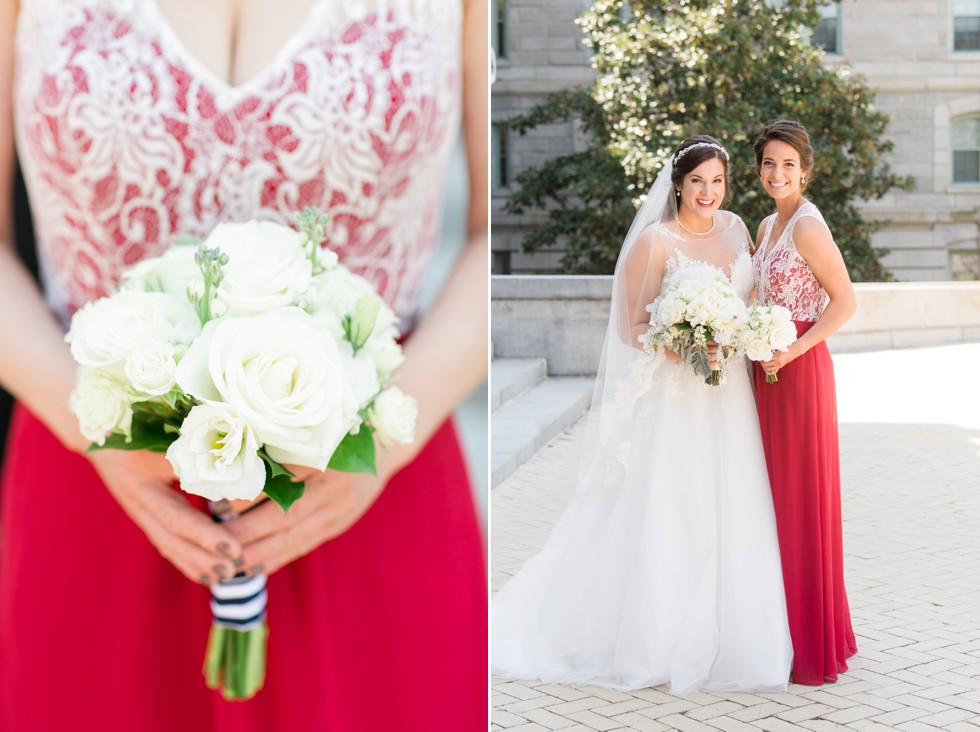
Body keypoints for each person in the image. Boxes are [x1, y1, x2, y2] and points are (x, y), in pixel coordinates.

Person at [0, 0, 488, 729]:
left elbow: (502, 240)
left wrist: (383, 444)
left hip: (366, 493)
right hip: (100, 493)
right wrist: (89, 425)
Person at [491, 136, 793, 694]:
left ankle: (732, 635)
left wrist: (744, 334)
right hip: (675, 395)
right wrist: (684, 343)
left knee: (730, 505)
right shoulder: (654, 243)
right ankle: (656, 637)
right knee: (670, 508)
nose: (708, 192)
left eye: (717, 181)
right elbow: (630, 329)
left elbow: (749, 302)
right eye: (697, 180)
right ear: (678, 183)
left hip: (729, 395)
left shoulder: (737, 229)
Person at [751, 119, 858, 685]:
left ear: (805, 171)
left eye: (788, 165)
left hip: (798, 369)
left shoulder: (808, 227)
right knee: (770, 501)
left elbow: (844, 303)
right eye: (769, 163)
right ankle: (777, 631)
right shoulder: (767, 224)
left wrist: (793, 351)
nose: (778, 173)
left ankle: (811, 642)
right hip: (763, 368)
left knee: (800, 500)